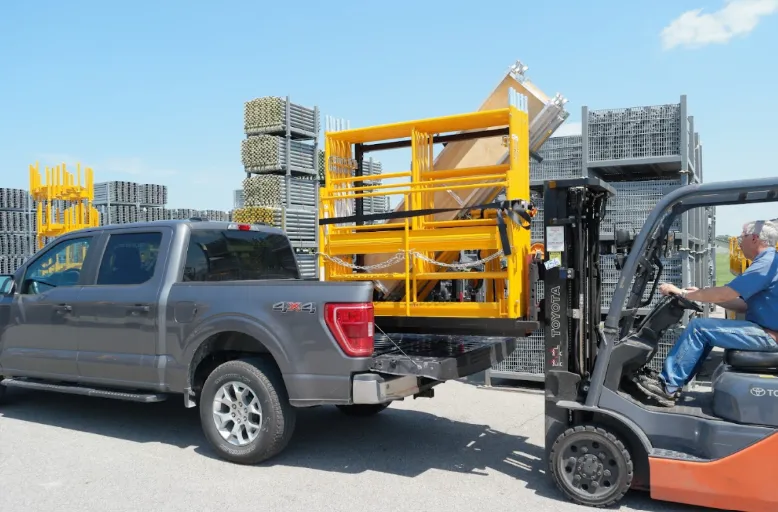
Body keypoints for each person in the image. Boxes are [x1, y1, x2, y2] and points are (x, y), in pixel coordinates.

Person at [635, 220, 778, 406]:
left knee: (699, 328)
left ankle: (668, 387)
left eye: (742, 237)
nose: (739, 242)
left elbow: (725, 293)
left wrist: (683, 293)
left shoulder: (766, 263)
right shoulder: (768, 261)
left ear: (754, 238)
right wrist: (700, 295)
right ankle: (673, 382)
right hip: (763, 330)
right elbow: (742, 304)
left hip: (767, 335)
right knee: (704, 329)